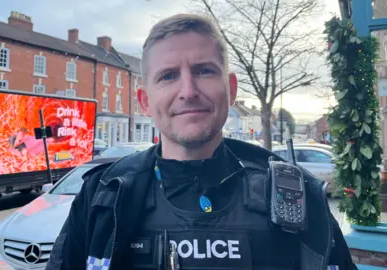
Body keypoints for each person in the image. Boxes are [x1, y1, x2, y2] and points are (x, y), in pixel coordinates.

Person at [46, 14, 356, 270]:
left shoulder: (296, 195)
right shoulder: (103, 196)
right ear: (144, 101)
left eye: (204, 71)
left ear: (231, 89)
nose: (188, 90)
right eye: (168, 76)